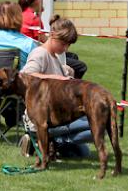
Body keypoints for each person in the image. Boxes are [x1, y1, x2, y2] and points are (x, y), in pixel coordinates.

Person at [19, 15, 93, 158]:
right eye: (63, 43)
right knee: (94, 123)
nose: (66, 48)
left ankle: (55, 143)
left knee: (84, 152)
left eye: (68, 45)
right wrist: (58, 78)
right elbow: (25, 75)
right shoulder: (40, 53)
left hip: (59, 115)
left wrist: (67, 72)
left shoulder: (55, 56)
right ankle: (39, 138)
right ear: (52, 35)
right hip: (41, 118)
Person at [18, 0, 87, 79]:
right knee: (79, 65)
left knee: (71, 58)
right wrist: (60, 78)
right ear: (38, 1)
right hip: (31, 50)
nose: (65, 48)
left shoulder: (20, 14)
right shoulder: (34, 20)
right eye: (63, 44)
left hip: (24, 51)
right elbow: (42, 39)